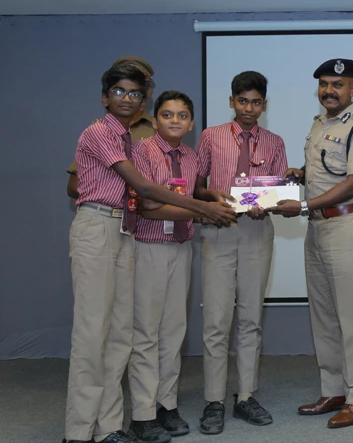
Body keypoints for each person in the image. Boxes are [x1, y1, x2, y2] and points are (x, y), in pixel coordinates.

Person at [64, 64, 235, 443]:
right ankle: (78, 432)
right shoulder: (104, 134)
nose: (127, 99)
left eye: (135, 94)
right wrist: (204, 209)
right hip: (103, 227)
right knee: (93, 335)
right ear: (105, 97)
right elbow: (143, 191)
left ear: (143, 102)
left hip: (125, 231)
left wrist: (207, 197)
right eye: (119, 92)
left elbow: (176, 190)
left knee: (119, 337)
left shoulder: (129, 139)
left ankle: (109, 427)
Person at [270, 58, 353, 429]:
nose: (329, 91)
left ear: (352, 89)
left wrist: (302, 205)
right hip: (318, 227)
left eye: (337, 84)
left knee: (351, 318)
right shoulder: (319, 124)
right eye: (324, 84)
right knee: (323, 315)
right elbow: (326, 171)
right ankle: (333, 390)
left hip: (345, 224)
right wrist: (300, 174)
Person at [193, 71, 287, 435]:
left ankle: (246, 395)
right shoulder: (211, 136)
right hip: (219, 228)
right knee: (217, 320)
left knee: (251, 317)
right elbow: (196, 187)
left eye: (256, 102)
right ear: (232, 101)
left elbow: (279, 192)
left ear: (264, 104)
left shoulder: (275, 142)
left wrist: (271, 203)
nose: (249, 108)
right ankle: (214, 400)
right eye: (243, 101)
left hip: (257, 231)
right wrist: (212, 197)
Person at [127, 91, 201, 443]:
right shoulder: (142, 151)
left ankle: (166, 404)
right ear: (155, 121)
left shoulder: (191, 157)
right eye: (167, 114)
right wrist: (203, 211)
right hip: (149, 247)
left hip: (181, 247)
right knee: (146, 332)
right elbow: (147, 205)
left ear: (191, 123)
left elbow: (190, 197)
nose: (175, 120)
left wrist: (208, 203)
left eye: (182, 115)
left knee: (174, 330)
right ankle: (142, 413)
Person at [67, 56, 156, 199]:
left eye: (135, 87)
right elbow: (74, 186)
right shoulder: (100, 130)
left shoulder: (159, 131)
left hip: (148, 212)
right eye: (120, 90)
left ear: (148, 91)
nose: (127, 97)